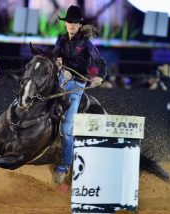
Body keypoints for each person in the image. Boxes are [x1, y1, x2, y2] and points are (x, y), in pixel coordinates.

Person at [53, 5, 107, 183]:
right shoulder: (60, 40)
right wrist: (57, 62)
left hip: (76, 86)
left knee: (68, 129)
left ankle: (65, 166)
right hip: (60, 82)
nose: (71, 25)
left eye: (74, 23)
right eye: (69, 22)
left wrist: (99, 76)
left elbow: (100, 62)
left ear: (79, 25)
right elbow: (54, 57)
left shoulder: (85, 43)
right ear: (66, 23)